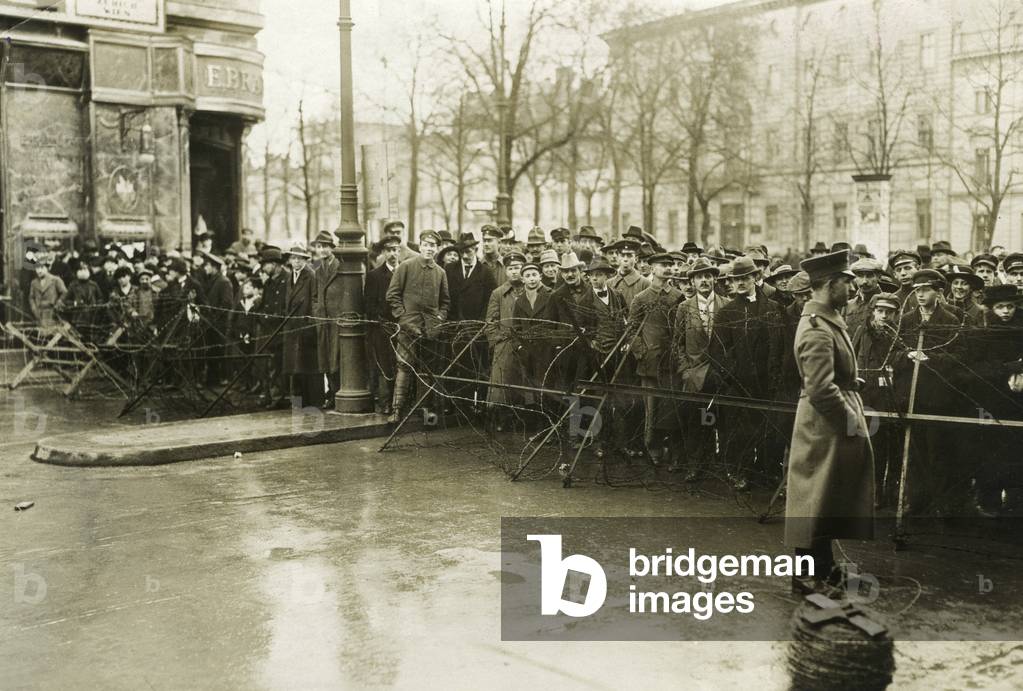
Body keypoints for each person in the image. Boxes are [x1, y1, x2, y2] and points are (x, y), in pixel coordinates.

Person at [786, 249, 873, 594]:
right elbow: (820, 389)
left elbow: (831, 375)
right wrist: (850, 421)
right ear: (829, 285)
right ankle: (805, 576)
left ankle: (825, 568)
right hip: (824, 425)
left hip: (828, 422)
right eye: (846, 283)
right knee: (814, 498)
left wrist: (852, 381)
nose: (852, 289)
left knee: (827, 497)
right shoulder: (817, 328)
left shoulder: (829, 318)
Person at [894, 269, 966, 514]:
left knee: (939, 450)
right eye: (917, 290)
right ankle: (916, 500)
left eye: (926, 289)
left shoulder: (950, 320)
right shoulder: (906, 319)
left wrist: (930, 358)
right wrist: (907, 355)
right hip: (911, 396)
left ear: (938, 292)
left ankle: (941, 503)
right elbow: (892, 353)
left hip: (937, 397)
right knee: (913, 450)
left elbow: (958, 356)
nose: (920, 294)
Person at [709, 255, 784, 490]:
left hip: (767, 383)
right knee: (739, 431)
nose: (740, 282)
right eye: (736, 278)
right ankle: (739, 472)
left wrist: (776, 377)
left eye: (745, 277)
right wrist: (731, 377)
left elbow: (781, 348)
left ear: (756, 277)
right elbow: (717, 352)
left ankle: (767, 471)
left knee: (769, 429)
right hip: (738, 384)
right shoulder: (727, 313)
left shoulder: (773, 309)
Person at [968, 284, 1023, 516]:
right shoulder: (982, 332)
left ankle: (1015, 499)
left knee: (1016, 449)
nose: (1005, 312)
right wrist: (1012, 368)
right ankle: (987, 498)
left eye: (1010, 306)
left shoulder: (1020, 330)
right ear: (991, 308)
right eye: (1000, 307)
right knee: (989, 450)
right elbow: (976, 367)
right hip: (990, 399)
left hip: (1017, 402)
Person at [385, 230, 450, 421]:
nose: (429, 249)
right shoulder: (406, 266)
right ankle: (397, 410)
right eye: (426, 244)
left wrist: (439, 318)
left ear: (437, 249)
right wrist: (403, 318)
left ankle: (423, 409)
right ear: (420, 246)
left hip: (430, 329)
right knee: (404, 366)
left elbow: (445, 302)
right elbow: (392, 295)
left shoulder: (440, 273)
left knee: (426, 369)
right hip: (408, 327)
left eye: (433, 245)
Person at [673, 258, 726, 481]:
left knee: (718, 420)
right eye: (699, 277)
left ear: (714, 278)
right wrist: (685, 370)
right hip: (694, 376)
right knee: (695, 421)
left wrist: (726, 370)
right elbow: (677, 344)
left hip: (720, 375)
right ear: (692, 281)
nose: (704, 280)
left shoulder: (726, 304)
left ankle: (720, 466)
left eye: (708, 276)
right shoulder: (684, 308)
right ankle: (695, 465)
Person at [628, 253, 684, 467]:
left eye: (671, 265)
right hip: (649, 364)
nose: (668, 268)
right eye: (663, 265)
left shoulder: (678, 297)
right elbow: (632, 329)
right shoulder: (641, 298)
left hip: (672, 364)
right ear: (652, 268)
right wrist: (642, 353)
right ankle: (653, 448)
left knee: (670, 410)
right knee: (651, 410)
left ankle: (672, 451)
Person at [852, 293, 901, 508]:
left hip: (886, 398)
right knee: (858, 442)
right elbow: (851, 356)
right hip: (863, 394)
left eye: (888, 312)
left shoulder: (897, 335)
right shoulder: (862, 331)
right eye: (880, 311)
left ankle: (878, 492)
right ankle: (858, 491)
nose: (883, 315)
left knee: (882, 446)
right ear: (872, 311)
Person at [445, 231, 496, 410]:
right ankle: (456, 404)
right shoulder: (449, 270)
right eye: (462, 253)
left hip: (477, 328)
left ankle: (478, 405)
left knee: (477, 366)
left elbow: (491, 301)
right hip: (455, 326)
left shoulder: (485, 272)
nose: (466, 256)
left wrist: (479, 323)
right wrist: (454, 321)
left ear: (476, 249)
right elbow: (446, 298)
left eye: (469, 251)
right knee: (455, 364)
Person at [485, 251, 527, 432]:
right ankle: (500, 420)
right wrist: (497, 342)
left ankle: (523, 419)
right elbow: (491, 321)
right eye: (510, 268)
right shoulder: (498, 293)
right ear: (506, 271)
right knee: (501, 384)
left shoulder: (530, 289)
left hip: (526, 344)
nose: (514, 272)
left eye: (518, 268)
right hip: (505, 344)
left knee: (525, 382)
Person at [365, 236, 401, 414]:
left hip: (402, 327)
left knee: (402, 364)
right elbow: (369, 305)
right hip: (382, 329)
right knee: (384, 365)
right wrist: (382, 320)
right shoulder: (374, 276)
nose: (393, 254)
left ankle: (400, 402)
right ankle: (386, 402)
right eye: (389, 250)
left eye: (395, 249)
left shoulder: (405, 272)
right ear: (383, 253)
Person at [282, 246, 322, 408]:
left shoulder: (311, 276)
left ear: (306, 260)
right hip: (292, 327)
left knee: (308, 367)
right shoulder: (291, 276)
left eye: (300, 258)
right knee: (294, 367)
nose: (296, 261)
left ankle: (313, 403)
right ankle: (297, 403)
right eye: (293, 258)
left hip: (305, 327)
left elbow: (314, 301)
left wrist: (310, 325)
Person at [311, 230, 342, 409]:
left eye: (325, 246)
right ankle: (331, 392)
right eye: (319, 247)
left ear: (331, 247)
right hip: (323, 321)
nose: (322, 250)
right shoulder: (318, 269)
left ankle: (338, 393)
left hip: (337, 320)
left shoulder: (340, 265)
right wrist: (317, 312)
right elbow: (315, 296)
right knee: (325, 359)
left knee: (337, 358)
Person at [257, 245, 289, 409]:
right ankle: (271, 395)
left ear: (275, 264)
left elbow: (284, 307)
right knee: (270, 365)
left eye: (265, 264)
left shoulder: (287, 280)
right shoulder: (269, 282)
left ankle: (278, 398)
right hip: (268, 330)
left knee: (278, 366)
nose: (263, 267)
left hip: (281, 330)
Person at [29, 260, 67, 328]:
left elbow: (64, 293)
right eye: (37, 268)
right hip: (39, 314)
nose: (39, 271)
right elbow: (31, 297)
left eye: (42, 268)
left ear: (47, 268)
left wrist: (58, 304)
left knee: (53, 334)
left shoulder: (56, 280)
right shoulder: (34, 283)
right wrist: (34, 308)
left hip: (52, 313)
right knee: (41, 335)